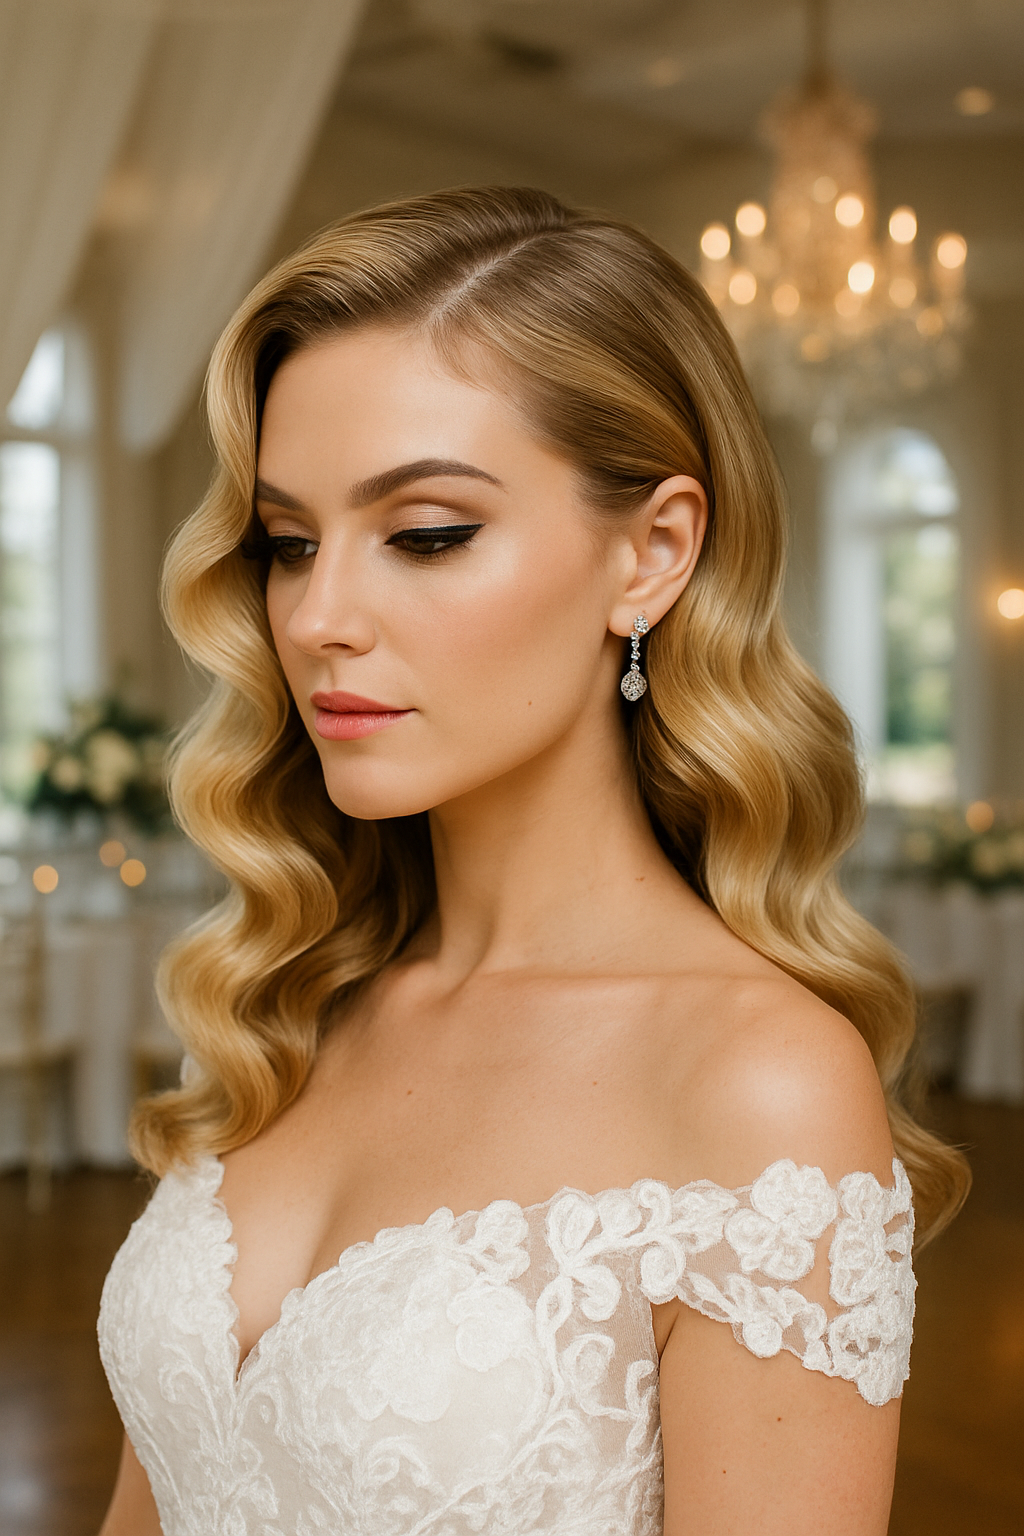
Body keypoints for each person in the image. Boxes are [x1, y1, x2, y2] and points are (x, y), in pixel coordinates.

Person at [97, 186, 968, 1536]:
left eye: (428, 533)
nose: (319, 616)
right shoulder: (294, 996)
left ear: (655, 553)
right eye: (288, 544)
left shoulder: (759, 1083)